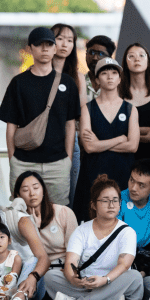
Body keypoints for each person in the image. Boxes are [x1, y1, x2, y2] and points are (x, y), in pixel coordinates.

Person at [0, 27, 81, 206]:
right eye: (39, 44)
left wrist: (67, 159)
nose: (45, 49)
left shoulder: (67, 83)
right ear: (30, 48)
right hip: (23, 163)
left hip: (58, 163)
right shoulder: (18, 83)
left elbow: (70, 124)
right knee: (21, 212)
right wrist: (12, 159)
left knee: (59, 213)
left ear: (54, 48)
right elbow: (11, 125)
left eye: (49, 44)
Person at [45, 174, 143, 300]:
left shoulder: (127, 232)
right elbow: (70, 262)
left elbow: (124, 264)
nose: (111, 205)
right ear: (93, 205)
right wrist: (73, 279)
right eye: (105, 200)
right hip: (87, 284)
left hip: (114, 282)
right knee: (50, 276)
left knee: (134, 277)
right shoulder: (81, 230)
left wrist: (105, 280)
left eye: (115, 200)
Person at [72, 56, 139, 222]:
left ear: (120, 78)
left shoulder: (130, 109)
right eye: (104, 73)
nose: (110, 76)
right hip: (93, 173)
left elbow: (132, 146)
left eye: (114, 73)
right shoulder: (87, 109)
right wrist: (120, 139)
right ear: (96, 80)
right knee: (90, 219)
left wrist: (99, 143)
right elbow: (89, 147)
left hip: (122, 173)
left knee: (122, 221)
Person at [9, 171, 78, 283]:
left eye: (36, 188)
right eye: (25, 190)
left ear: (43, 190)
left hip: (63, 271)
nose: (32, 193)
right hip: (35, 272)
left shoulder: (63, 212)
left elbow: (75, 251)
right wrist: (34, 227)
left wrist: (70, 271)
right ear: (18, 195)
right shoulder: (17, 220)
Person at [51, 23, 88, 202]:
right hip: (43, 141)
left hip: (70, 139)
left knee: (69, 198)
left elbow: (80, 111)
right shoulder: (37, 73)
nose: (65, 44)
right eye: (60, 39)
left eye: (70, 40)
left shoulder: (78, 76)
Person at [119, 43, 150, 163]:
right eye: (131, 56)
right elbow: (115, 128)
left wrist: (129, 135)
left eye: (142, 55)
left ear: (148, 62)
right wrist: (148, 133)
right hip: (122, 153)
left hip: (149, 155)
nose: (137, 59)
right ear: (125, 62)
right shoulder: (117, 91)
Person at [83, 35, 115, 99]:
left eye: (101, 54)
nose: (95, 58)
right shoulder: (77, 82)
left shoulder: (116, 85)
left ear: (110, 59)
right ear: (86, 54)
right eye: (91, 52)